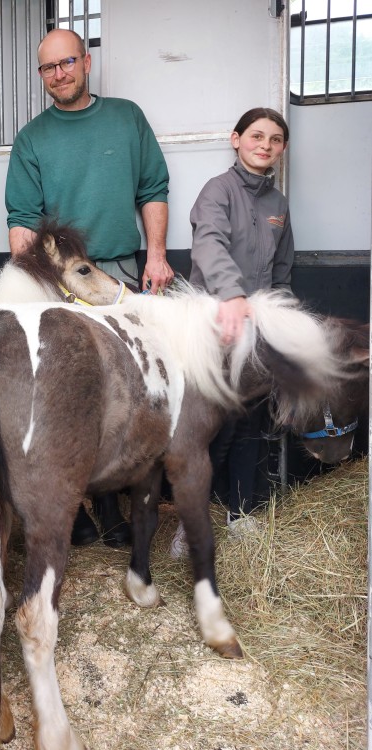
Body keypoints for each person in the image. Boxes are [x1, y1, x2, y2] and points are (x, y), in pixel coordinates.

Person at [5, 28, 173, 548]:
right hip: (60, 279)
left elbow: (153, 188)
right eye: (48, 68)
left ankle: (108, 502)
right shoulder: (32, 138)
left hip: (118, 272)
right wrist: (31, 284)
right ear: (42, 75)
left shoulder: (126, 118)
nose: (59, 74)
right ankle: (72, 504)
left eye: (66, 63)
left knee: (118, 389)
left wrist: (158, 255)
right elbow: (21, 220)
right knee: (63, 392)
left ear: (86, 62)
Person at [170, 107, 293, 557]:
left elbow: (282, 271)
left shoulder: (278, 205)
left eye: (275, 139)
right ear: (235, 139)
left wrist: (282, 319)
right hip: (214, 327)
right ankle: (190, 523)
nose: (265, 144)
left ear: (282, 149)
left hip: (257, 332)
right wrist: (234, 296)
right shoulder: (217, 191)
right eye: (256, 135)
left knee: (251, 425)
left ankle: (241, 513)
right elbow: (209, 245)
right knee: (207, 432)